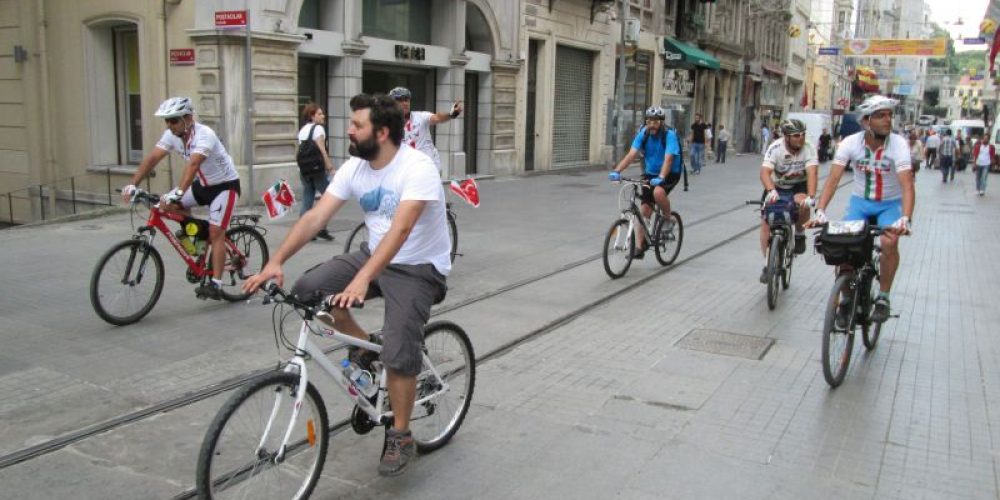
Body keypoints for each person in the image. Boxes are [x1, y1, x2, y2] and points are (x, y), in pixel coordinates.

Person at [244, 93, 451, 476]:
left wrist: (362, 278)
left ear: (383, 132)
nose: (349, 131)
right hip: (372, 255)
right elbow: (314, 218)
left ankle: (401, 434)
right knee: (308, 291)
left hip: (419, 266)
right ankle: (367, 349)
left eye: (357, 126)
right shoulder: (355, 169)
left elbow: (402, 229)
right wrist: (275, 261)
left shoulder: (417, 167)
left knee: (401, 348)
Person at [121, 97, 240, 300]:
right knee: (167, 208)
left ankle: (216, 284)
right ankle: (200, 238)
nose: (169, 125)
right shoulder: (172, 135)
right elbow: (152, 158)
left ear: (188, 118)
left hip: (224, 187)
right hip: (202, 185)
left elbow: (192, 166)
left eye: (174, 120)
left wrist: (176, 194)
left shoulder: (205, 135)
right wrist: (133, 184)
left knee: (216, 231)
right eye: (167, 120)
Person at [809, 94, 914, 324]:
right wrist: (820, 209)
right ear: (866, 121)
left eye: (889, 115)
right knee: (843, 247)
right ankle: (846, 299)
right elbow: (834, 179)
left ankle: (883, 298)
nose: (888, 120)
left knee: (889, 242)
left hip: (889, 204)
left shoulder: (898, 145)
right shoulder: (850, 143)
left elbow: (907, 185)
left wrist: (905, 218)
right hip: (860, 204)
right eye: (880, 116)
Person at [608, 106, 683, 259]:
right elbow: (631, 155)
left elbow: (669, 159)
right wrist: (617, 171)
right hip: (650, 173)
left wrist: (661, 176)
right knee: (645, 211)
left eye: (655, 122)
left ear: (661, 122)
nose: (652, 125)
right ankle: (639, 247)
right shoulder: (644, 134)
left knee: (658, 192)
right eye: (649, 121)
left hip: (670, 173)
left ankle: (668, 219)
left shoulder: (669, 136)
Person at [757, 118, 818, 283]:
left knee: (804, 204)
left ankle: (799, 234)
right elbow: (764, 173)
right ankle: (767, 264)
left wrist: (811, 197)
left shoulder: (809, 148)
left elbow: (812, 173)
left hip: (799, 185)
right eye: (796, 135)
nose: (801, 138)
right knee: (765, 223)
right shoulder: (775, 148)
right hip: (777, 186)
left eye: (803, 134)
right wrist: (771, 191)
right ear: (786, 137)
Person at [387, 86, 462, 175]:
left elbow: (437, 118)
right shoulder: (388, 125)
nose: (405, 103)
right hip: (407, 169)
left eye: (406, 100)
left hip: (428, 167)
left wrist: (451, 114)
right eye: (400, 100)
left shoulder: (420, 117)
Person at [297, 103, 336, 241]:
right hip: (317, 170)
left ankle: (302, 231)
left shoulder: (302, 130)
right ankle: (320, 228)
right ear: (312, 116)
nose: (322, 116)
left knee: (307, 199)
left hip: (305, 170)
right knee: (329, 198)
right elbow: (321, 149)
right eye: (319, 114)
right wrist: (329, 166)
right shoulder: (319, 129)